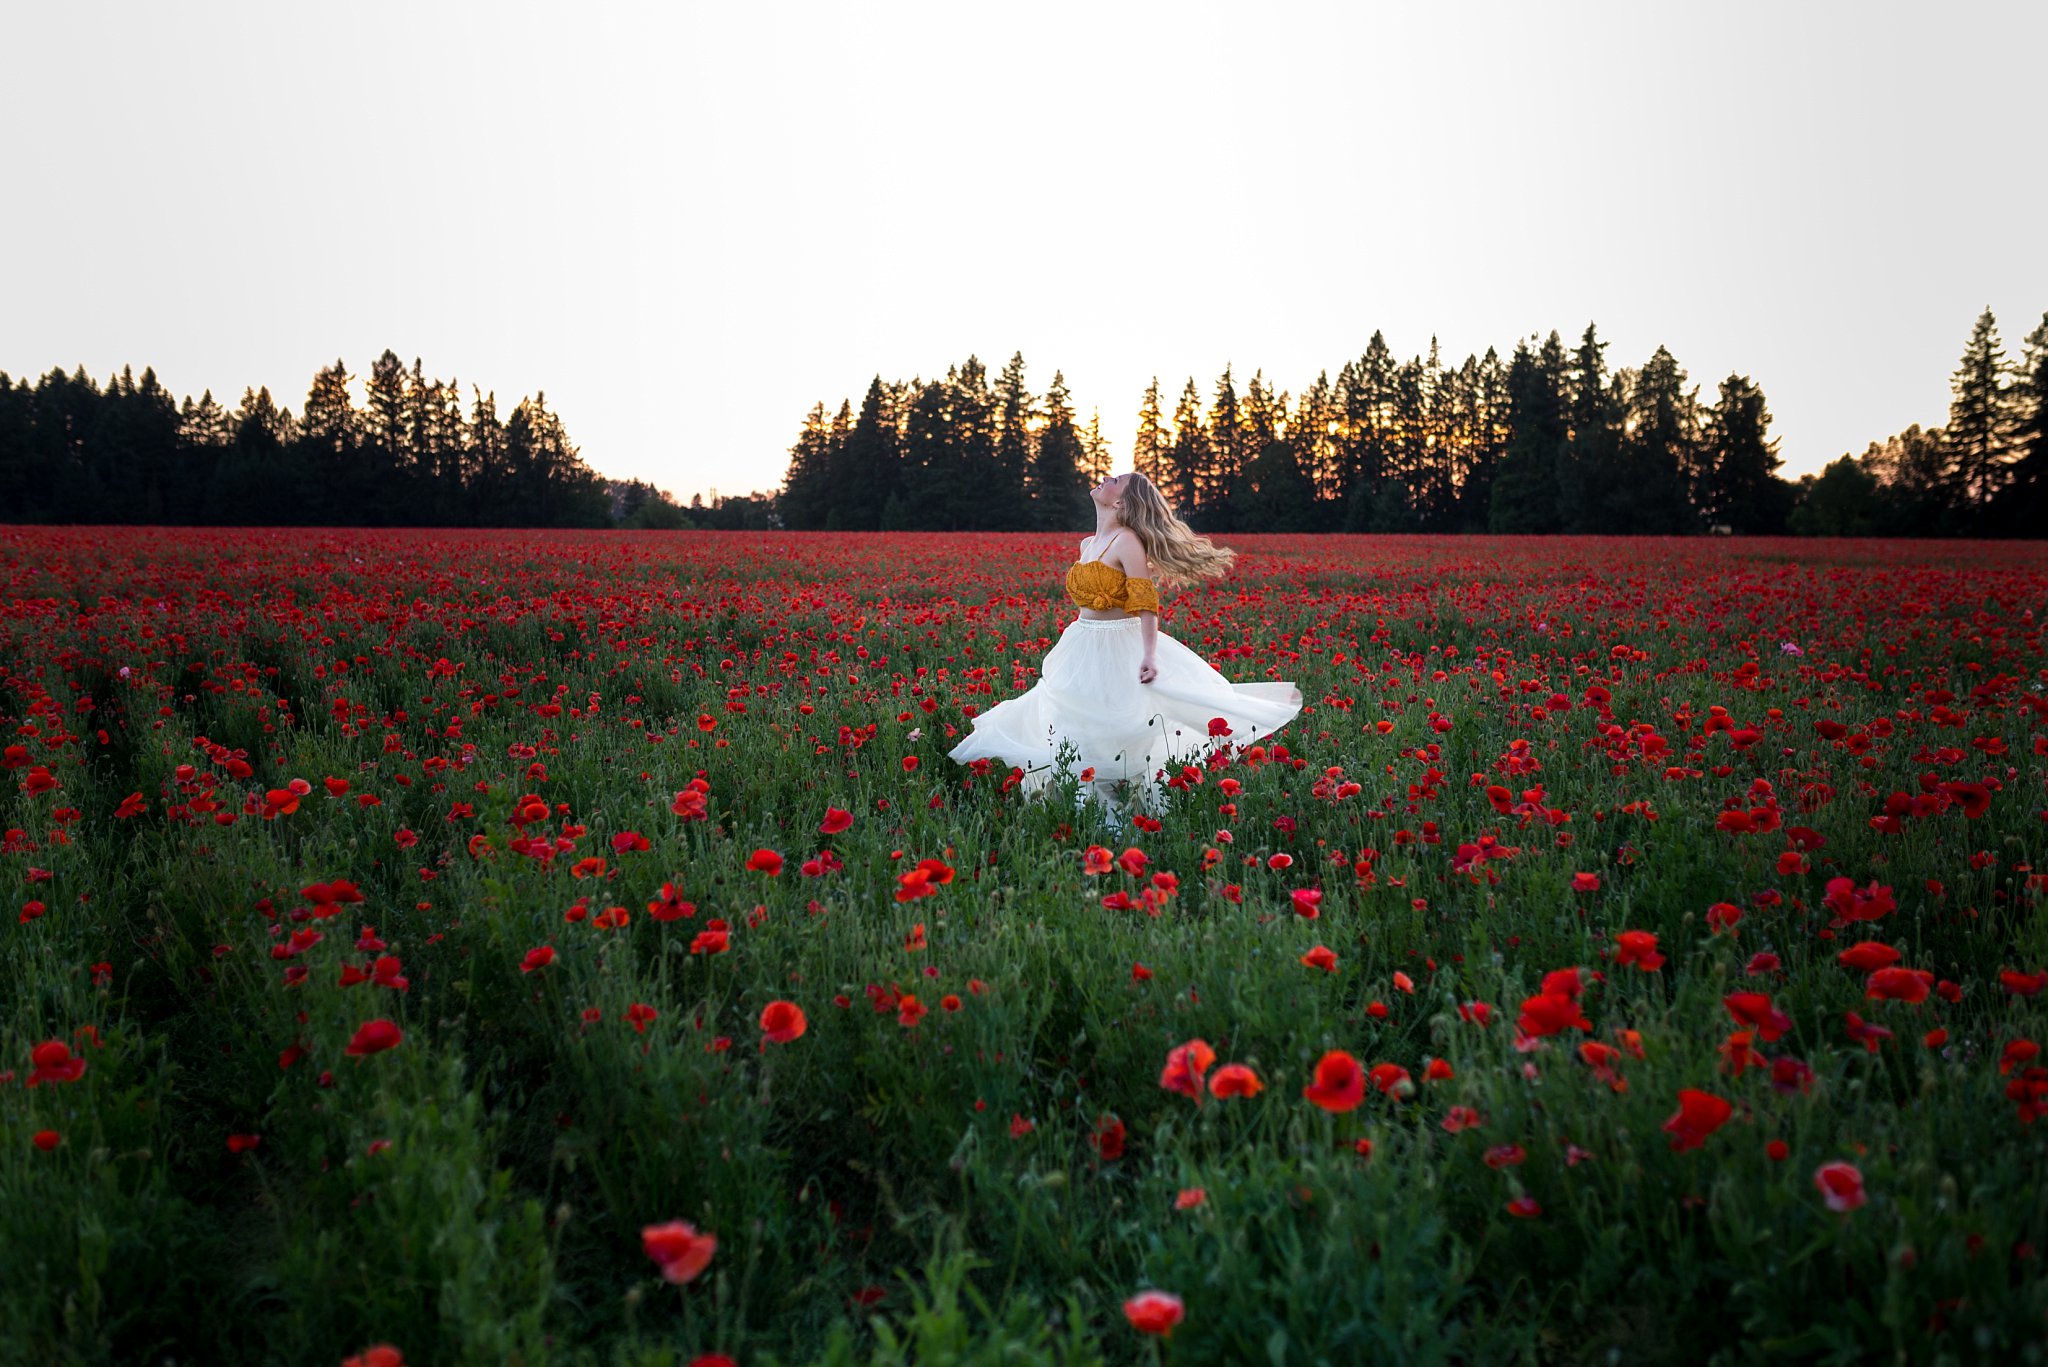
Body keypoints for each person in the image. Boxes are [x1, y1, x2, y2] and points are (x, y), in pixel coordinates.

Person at [945, 470, 1304, 828]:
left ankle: (1121, 819)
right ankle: (1083, 810)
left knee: (1116, 726)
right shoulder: (1088, 544)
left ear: (1120, 501)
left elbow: (1146, 602)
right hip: (1082, 644)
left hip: (1121, 644)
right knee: (1073, 726)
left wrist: (1148, 655)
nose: (1104, 478)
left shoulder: (1127, 541)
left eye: (1114, 480)